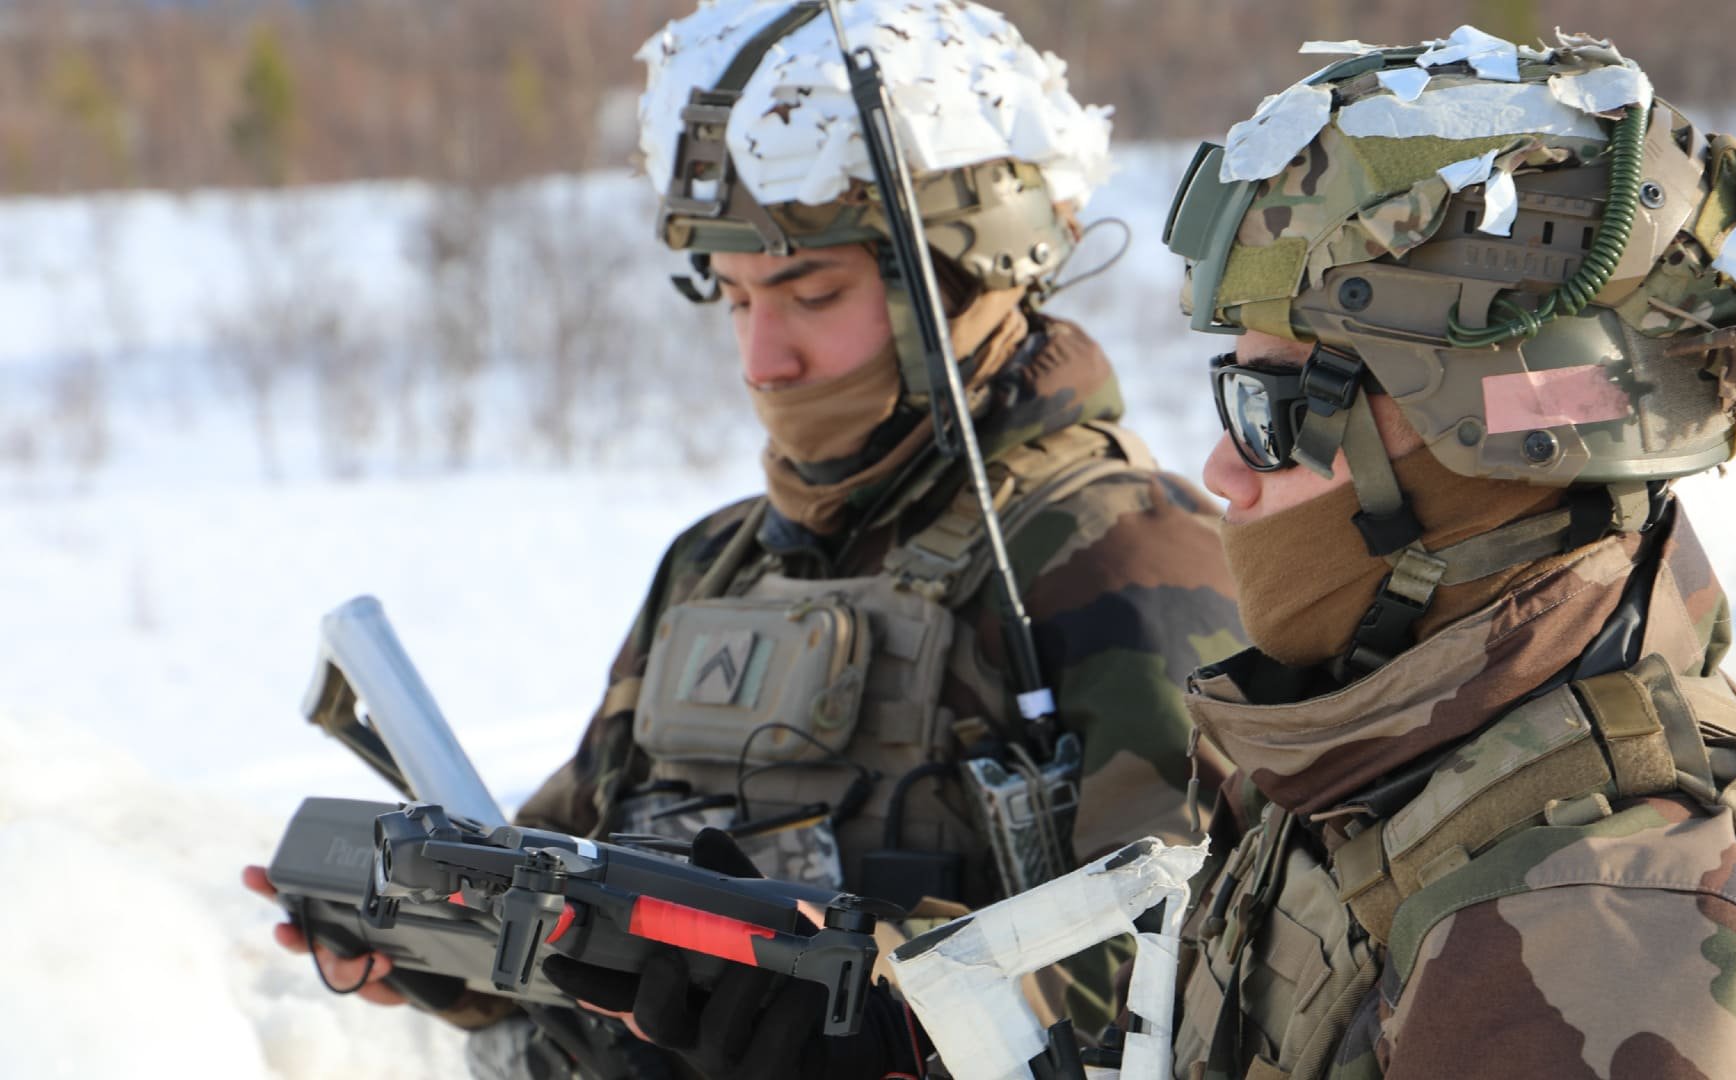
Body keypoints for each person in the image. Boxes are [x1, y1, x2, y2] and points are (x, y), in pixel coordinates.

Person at [247, 1, 1242, 1076]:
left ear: (965, 280)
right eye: (735, 300)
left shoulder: (1126, 556)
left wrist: (885, 1030)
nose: (765, 360)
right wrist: (441, 942)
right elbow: (580, 872)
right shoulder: (717, 564)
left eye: (812, 294)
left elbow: (1200, 971)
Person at [1156, 28, 1736, 1078]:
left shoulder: (1607, 935)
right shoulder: (1406, 743)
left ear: (1493, 439)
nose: (1223, 472)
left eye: (1272, 412)